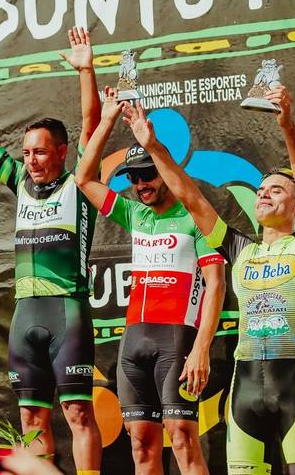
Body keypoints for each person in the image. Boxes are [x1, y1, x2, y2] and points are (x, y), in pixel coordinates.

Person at [121, 87, 295, 475]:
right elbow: (192, 199)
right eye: (261, 190)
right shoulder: (241, 249)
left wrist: (286, 126)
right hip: (243, 388)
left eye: (276, 190)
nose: (264, 195)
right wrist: (154, 148)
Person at [0, 27, 102, 473]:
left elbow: (92, 125)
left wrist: (86, 70)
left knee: (78, 413)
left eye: (40, 152)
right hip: (25, 314)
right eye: (26, 153)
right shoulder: (22, 185)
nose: (31, 160)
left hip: (66, 311)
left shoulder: (80, 184)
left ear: (62, 152)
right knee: (30, 419)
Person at [75, 87, 225, 475]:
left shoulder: (195, 217)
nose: (141, 184)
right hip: (134, 341)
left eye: (148, 175)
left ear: (165, 172)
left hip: (178, 340)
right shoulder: (134, 213)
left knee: (182, 439)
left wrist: (202, 348)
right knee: (141, 444)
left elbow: (216, 284)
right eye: (134, 178)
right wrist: (107, 120)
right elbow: (84, 179)